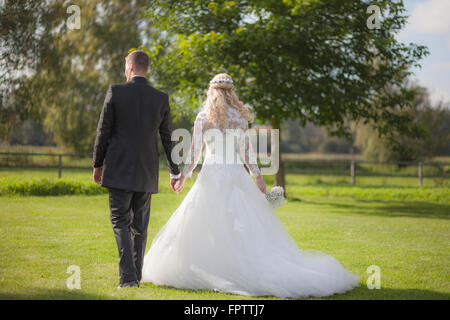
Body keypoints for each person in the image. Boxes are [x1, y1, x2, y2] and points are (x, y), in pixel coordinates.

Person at [140, 73, 360, 298]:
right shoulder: (239, 118)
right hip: (235, 174)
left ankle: (214, 266)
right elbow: (246, 152)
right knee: (241, 223)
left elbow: (195, 152)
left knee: (206, 222)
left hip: (212, 174)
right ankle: (235, 265)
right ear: (231, 92)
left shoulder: (203, 117)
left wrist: (183, 177)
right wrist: (258, 177)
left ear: (212, 92)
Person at [92, 50, 181, 288]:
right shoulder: (160, 98)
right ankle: (135, 277)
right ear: (145, 68)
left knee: (120, 221)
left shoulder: (116, 92)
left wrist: (97, 164)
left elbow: (103, 131)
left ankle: (128, 278)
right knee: (139, 227)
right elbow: (168, 138)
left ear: (130, 67)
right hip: (146, 171)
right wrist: (175, 171)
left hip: (119, 168)